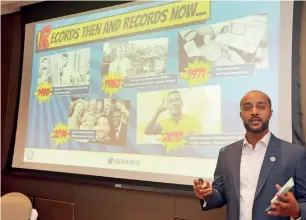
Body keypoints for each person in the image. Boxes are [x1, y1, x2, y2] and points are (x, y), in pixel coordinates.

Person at [193, 90, 306, 220]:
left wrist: (297, 211)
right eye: (248, 108)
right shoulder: (226, 153)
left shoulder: (295, 154)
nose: (254, 112)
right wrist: (206, 194)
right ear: (241, 115)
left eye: (261, 107)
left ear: (270, 113)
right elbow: (221, 196)